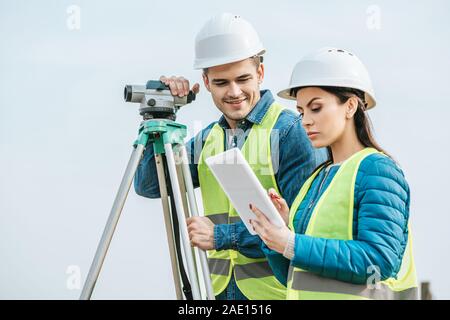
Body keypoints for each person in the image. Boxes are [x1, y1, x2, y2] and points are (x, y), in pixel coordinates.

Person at [134, 13, 327, 300]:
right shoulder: (209, 137)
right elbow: (149, 184)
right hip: (218, 292)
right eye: (222, 82)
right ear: (206, 81)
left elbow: (306, 228)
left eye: (243, 79)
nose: (234, 92)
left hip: (276, 293)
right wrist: (159, 115)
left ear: (260, 74)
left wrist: (222, 237)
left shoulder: (290, 131)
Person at [249, 47, 418, 300]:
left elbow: (378, 261)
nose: (305, 120)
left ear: (350, 106)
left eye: (316, 108)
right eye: (301, 111)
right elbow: (292, 277)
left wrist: (291, 243)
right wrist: (278, 232)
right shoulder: (315, 180)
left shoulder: (378, 171)